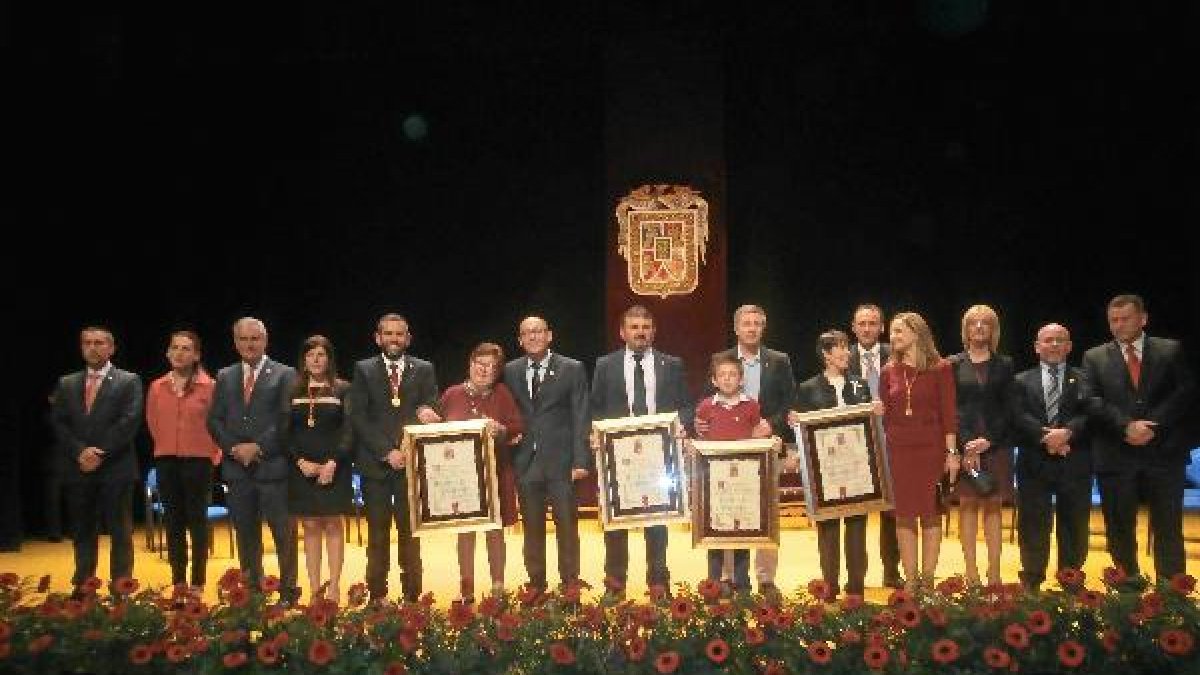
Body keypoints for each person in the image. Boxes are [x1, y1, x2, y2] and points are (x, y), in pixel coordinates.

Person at [1083, 294, 1195, 581]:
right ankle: (1126, 597)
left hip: (1164, 454)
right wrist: (1126, 426)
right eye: (1113, 320)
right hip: (1116, 455)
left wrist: (1152, 425)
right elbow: (1091, 400)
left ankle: (1171, 599)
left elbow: (1185, 392)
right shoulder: (1094, 357)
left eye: (1126, 318)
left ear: (1143, 319)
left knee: (1168, 528)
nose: (1119, 325)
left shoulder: (1170, 350)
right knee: (1119, 529)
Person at [590, 305, 693, 599]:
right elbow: (595, 408)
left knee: (656, 521)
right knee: (616, 523)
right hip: (616, 457)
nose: (640, 332)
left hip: (658, 458)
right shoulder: (605, 365)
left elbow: (686, 405)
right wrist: (594, 432)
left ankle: (658, 583)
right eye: (634, 327)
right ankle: (615, 583)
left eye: (645, 327)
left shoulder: (671, 364)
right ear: (622, 332)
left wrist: (682, 425)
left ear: (653, 332)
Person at [347, 313, 441, 603]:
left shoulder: (424, 369)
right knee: (377, 535)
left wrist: (429, 412)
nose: (394, 339)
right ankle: (377, 596)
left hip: (411, 465)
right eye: (388, 334)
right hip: (376, 465)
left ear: (408, 338)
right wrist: (387, 452)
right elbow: (359, 417)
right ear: (378, 338)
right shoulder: (363, 370)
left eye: (399, 334)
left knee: (410, 535)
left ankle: (412, 597)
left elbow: (431, 404)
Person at [704, 304, 796, 598]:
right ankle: (730, 578)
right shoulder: (723, 361)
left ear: (763, 328)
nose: (752, 328)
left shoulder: (779, 361)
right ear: (736, 328)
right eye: (747, 323)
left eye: (757, 323)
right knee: (731, 510)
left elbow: (789, 403)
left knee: (766, 515)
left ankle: (766, 578)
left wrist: (772, 425)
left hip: (766, 451)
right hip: (729, 456)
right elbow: (709, 405)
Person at [207, 317, 299, 602]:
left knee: (283, 535)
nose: (250, 344)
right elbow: (214, 420)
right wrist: (234, 447)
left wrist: (257, 447)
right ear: (236, 343)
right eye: (244, 339)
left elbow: (286, 420)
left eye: (255, 338)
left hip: (272, 468)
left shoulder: (285, 374)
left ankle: (287, 592)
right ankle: (252, 591)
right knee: (246, 537)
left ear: (265, 340)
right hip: (237, 471)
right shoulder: (224, 375)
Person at [51, 326, 143, 595]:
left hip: (116, 468)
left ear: (111, 348)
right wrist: (81, 452)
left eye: (100, 343)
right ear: (81, 348)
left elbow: (129, 422)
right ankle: (83, 587)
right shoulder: (66, 383)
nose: (93, 347)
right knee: (82, 532)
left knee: (120, 533)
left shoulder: (129, 381)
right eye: (88, 343)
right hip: (78, 468)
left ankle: (121, 588)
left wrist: (99, 452)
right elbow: (59, 424)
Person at [502, 316, 590, 595]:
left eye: (538, 332)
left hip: (562, 462)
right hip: (526, 462)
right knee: (532, 530)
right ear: (520, 340)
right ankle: (536, 586)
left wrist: (580, 460)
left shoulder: (572, 368)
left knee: (567, 527)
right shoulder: (510, 370)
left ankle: (570, 586)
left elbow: (581, 415)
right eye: (527, 333)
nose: (533, 337)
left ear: (549, 335)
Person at [789, 330, 877, 601]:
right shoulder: (807, 388)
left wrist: (876, 411)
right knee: (828, 529)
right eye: (839, 348)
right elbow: (800, 425)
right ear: (826, 354)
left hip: (858, 468)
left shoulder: (861, 385)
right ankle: (829, 585)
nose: (845, 352)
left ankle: (855, 587)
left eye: (846, 347)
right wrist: (795, 422)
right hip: (824, 471)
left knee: (857, 525)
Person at [1010, 323, 1093, 592]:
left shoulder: (1085, 378)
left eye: (1060, 340)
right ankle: (1032, 581)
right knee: (1033, 523)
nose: (1054, 344)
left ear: (1069, 346)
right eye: (1048, 340)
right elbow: (1017, 415)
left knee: (1075, 523)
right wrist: (1046, 436)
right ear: (1037, 347)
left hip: (1075, 460)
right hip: (1034, 461)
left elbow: (1091, 413)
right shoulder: (1020, 381)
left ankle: (1070, 581)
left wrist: (1067, 433)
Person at [879, 312, 959, 591]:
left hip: (931, 450)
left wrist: (951, 453)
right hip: (898, 451)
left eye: (899, 331)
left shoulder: (941, 368)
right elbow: (885, 414)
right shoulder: (888, 371)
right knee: (903, 514)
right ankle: (910, 579)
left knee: (930, 513)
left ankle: (927, 579)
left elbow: (949, 414)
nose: (893, 337)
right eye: (892, 332)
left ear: (916, 333)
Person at [439, 342, 524, 603]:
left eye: (492, 367)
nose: (485, 370)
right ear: (470, 364)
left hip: (495, 472)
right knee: (465, 531)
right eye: (480, 364)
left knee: (495, 531)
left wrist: (502, 429)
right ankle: (467, 590)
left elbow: (517, 426)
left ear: (498, 372)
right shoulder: (452, 394)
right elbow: (438, 432)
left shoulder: (502, 394)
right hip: (461, 480)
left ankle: (498, 589)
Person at [693, 353, 778, 594]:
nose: (728, 379)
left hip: (743, 483)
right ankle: (714, 583)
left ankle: (742, 583)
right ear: (714, 380)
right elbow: (701, 439)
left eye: (733, 375)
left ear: (741, 379)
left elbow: (757, 435)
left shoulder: (751, 406)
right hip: (714, 484)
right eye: (722, 375)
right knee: (714, 534)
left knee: (742, 532)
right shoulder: (705, 407)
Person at [145, 330, 220, 593]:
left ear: (196, 355)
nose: (179, 353)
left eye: (186, 348)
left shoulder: (209, 386)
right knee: (173, 522)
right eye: (174, 347)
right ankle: (178, 581)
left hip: (198, 461)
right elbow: (152, 422)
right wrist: (166, 446)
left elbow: (217, 423)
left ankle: (198, 583)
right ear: (167, 352)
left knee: (197, 523)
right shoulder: (157, 387)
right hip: (166, 461)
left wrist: (212, 452)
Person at [282, 335, 353, 603]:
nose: (315, 360)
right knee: (310, 527)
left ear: (329, 359)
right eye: (310, 355)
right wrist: (300, 462)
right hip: (302, 469)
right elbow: (284, 432)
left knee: (334, 525)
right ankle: (315, 590)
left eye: (321, 355)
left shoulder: (343, 389)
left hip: (335, 467)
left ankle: (333, 588)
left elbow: (350, 431)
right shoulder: (292, 390)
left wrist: (333, 463)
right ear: (303, 360)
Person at [949, 305, 1015, 587]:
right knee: (967, 507)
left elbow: (1009, 409)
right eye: (973, 323)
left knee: (992, 508)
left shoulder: (1005, 365)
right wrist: (967, 446)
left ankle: (995, 572)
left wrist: (989, 440)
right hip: (965, 448)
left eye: (984, 323)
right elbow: (951, 408)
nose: (978, 327)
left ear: (993, 330)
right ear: (965, 330)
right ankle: (972, 572)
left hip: (996, 446)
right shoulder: (951, 363)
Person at [847, 303, 902, 589]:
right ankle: (857, 577)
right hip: (855, 448)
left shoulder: (897, 356)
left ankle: (892, 571)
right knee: (856, 513)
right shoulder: (842, 358)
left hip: (893, 443)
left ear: (882, 328)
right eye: (862, 323)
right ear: (853, 328)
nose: (867, 328)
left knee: (891, 512)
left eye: (872, 323)